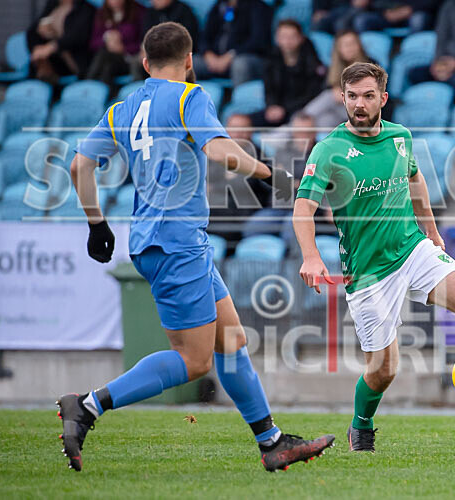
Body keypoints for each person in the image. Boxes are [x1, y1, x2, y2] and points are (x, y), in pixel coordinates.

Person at [61, 22, 333, 473]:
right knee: (194, 360)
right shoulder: (189, 96)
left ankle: (272, 442)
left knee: (232, 339)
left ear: (145, 63)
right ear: (189, 60)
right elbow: (223, 152)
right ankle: (88, 406)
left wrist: (97, 224)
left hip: (169, 240)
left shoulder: (123, 108)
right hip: (175, 243)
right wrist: (269, 173)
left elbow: (78, 166)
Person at [292, 62, 455, 453]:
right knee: (383, 371)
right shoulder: (329, 150)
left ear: (383, 98)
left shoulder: (400, 137)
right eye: (351, 97)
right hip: (368, 274)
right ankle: (360, 425)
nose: (359, 105)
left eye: (367, 96)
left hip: (413, 249)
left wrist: (430, 230)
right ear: (343, 98)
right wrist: (311, 256)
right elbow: (303, 208)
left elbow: (414, 180)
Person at [260, 20, 326, 126]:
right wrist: (271, 106)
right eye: (283, 37)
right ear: (277, 39)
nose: (287, 41)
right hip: (277, 111)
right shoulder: (270, 61)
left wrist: (285, 109)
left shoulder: (312, 63)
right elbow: (269, 89)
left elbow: (313, 94)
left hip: (303, 111)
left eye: (292, 37)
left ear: (301, 38)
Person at [194, 0, 273, 86]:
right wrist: (208, 54)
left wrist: (231, 55)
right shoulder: (219, 6)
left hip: (245, 58)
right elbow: (204, 36)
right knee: (191, 63)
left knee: (240, 65)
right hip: (215, 59)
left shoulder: (258, 7)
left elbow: (258, 41)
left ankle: (239, 98)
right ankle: (190, 98)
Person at [26, 0, 97, 82]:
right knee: (37, 60)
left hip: (75, 61)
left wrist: (51, 47)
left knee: (40, 62)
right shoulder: (53, 6)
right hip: (52, 58)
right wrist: (39, 31)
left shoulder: (85, 9)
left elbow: (77, 37)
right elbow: (31, 32)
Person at [132, 0, 199, 79]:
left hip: (177, 55)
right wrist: (144, 50)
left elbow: (189, 41)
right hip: (154, 56)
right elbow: (144, 38)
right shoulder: (150, 13)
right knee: (137, 63)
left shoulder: (184, 11)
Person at [87, 0, 144, 86]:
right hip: (112, 59)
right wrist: (106, 38)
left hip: (132, 58)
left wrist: (123, 48)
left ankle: (89, 82)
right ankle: (107, 93)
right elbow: (92, 43)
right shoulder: (102, 13)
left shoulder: (138, 11)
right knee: (107, 65)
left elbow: (144, 40)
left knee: (104, 54)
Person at [351, 0, 438, 33]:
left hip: (412, 14)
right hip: (385, 15)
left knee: (418, 19)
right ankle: (369, 56)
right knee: (362, 20)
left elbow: (434, 3)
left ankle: (414, 52)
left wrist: (411, 9)